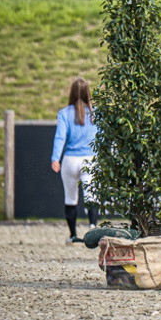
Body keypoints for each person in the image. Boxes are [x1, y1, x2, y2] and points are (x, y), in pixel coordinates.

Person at [51, 78, 99, 244]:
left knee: (70, 198)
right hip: (90, 159)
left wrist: (55, 158)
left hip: (70, 160)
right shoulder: (96, 113)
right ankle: (93, 229)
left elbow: (60, 137)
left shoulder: (64, 113)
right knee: (91, 195)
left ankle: (72, 235)